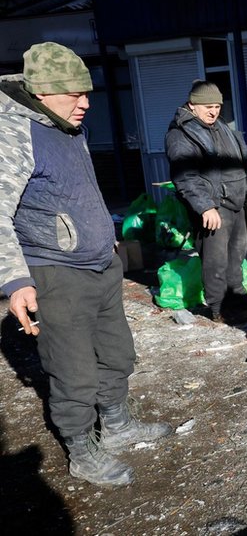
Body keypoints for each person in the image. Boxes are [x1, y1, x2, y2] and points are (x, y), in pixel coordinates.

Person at [0, 42, 172, 486]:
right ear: (41, 92)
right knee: (72, 370)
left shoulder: (67, 126)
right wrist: (15, 281)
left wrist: (106, 237)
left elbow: (77, 192)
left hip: (99, 265)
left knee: (116, 355)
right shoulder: (13, 133)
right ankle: (82, 451)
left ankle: (117, 426)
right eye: (74, 94)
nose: (85, 103)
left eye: (87, 92)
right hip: (55, 273)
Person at [165, 80, 247, 323]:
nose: (214, 111)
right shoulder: (181, 134)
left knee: (237, 254)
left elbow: (234, 156)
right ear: (193, 105)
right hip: (213, 205)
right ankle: (219, 308)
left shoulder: (221, 126)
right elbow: (185, 176)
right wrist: (205, 207)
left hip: (235, 201)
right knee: (216, 260)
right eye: (208, 106)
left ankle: (237, 298)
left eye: (217, 107)